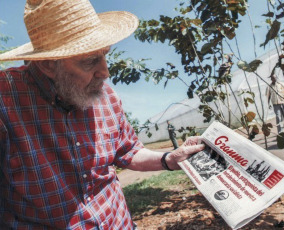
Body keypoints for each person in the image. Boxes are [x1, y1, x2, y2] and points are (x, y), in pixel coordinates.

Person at [0, 0, 205, 229]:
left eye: (105, 55)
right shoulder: (6, 100)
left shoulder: (106, 96)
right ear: (48, 64)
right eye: (90, 61)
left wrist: (169, 159)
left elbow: (128, 151)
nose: (105, 72)